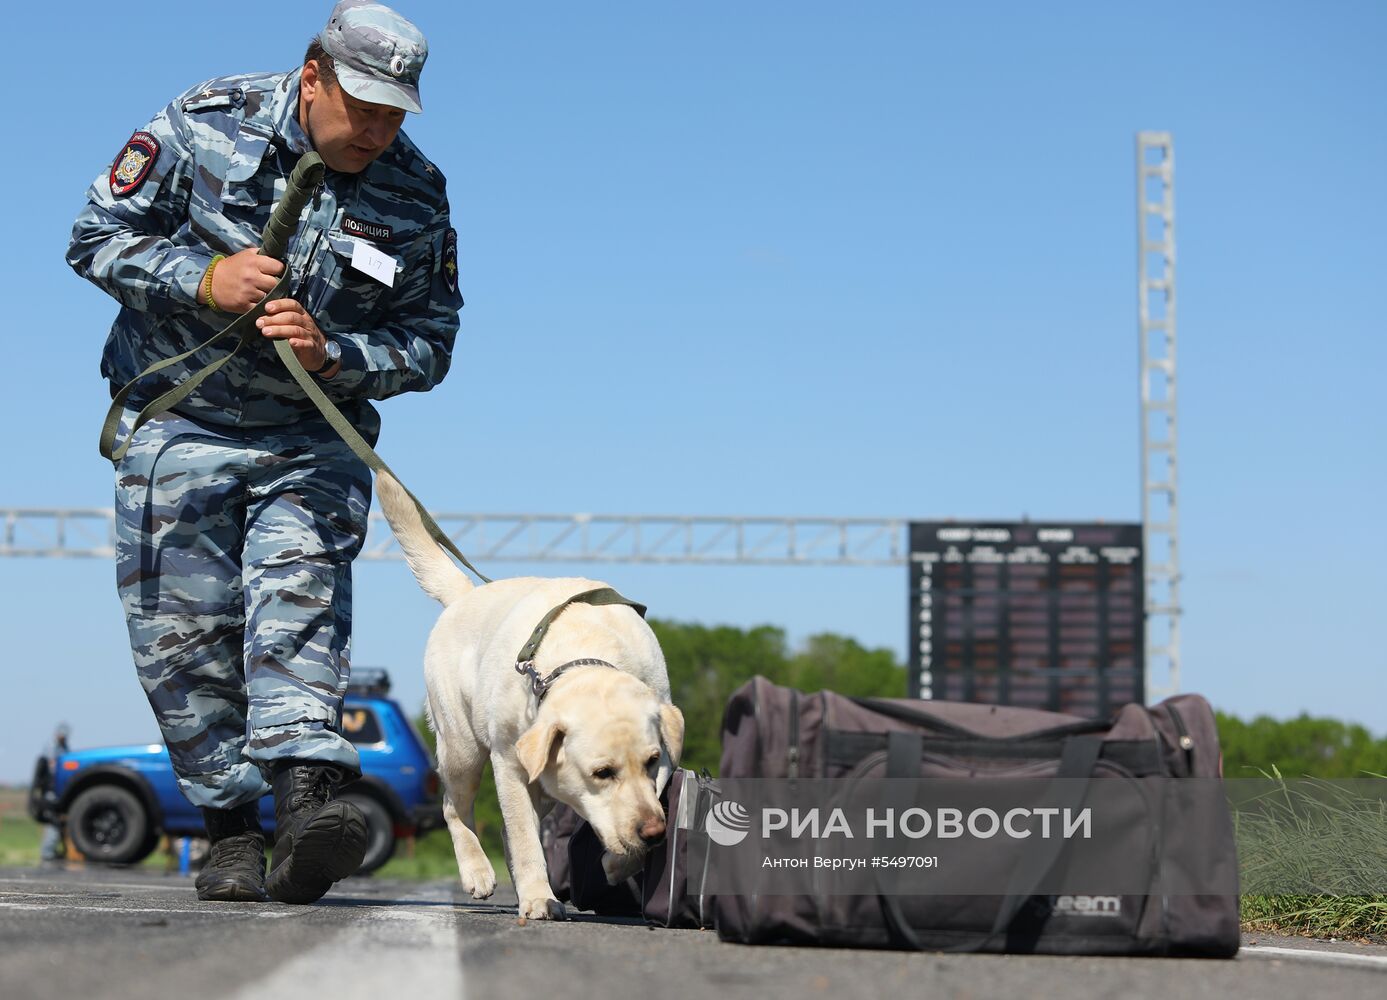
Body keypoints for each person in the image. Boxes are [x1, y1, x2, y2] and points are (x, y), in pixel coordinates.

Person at [66, 0, 461, 904]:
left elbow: (430, 343)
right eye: (361, 105)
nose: (376, 128)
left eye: (395, 111)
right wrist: (202, 278)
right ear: (313, 73)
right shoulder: (204, 121)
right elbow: (92, 239)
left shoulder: (416, 191)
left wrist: (337, 354)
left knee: (301, 605)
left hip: (311, 438)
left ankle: (310, 802)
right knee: (184, 640)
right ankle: (232, 832)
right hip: (180, 422)